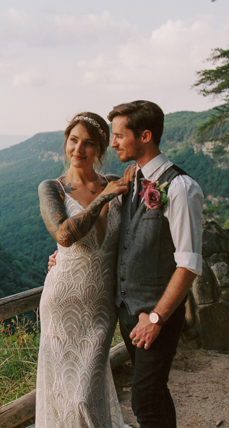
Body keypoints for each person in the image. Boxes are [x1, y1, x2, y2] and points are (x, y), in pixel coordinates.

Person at [36, 112, 134, 428]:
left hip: (101, 306)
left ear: (100, 149)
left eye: (89, 143)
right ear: (66, 142)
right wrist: (102, 199)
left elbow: (133, 236)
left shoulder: (118, 185)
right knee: (69, 395)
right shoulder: (52, 187)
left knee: (86, 391)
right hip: (62, 302)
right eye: (74, 140)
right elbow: (63, 234)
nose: (79, 149)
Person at [108, 100, 203, 428]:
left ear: (145, 135)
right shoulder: (136, 179)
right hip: (129, 312)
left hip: (154, 315)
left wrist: (157, 317)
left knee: (144, 398)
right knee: (155, 392)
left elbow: (188, 265)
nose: (113, 142)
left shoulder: (180, 188)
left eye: (120, 135)